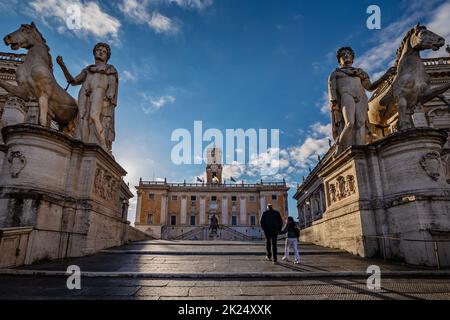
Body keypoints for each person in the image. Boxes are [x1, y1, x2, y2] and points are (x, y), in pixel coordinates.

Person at [328, 47, 395, 155]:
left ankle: (360, 150)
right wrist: (334, 105)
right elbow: (332, 93)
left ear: (352, 58)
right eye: (343, 54)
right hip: (346, 95)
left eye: (348, 54)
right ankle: (339, 148)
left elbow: (370, 87)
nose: (346, 55)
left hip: (361, 97)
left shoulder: (359, 72)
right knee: (350, 123)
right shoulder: (335, 74)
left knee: (360, 123)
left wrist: (385, 76)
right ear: (339, 60)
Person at [56, 43, 118, 153]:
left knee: (94, 116)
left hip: (99, 92)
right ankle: (82, 145)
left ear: (107, 56)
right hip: (84, 93)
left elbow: (112, 85)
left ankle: (103, 145)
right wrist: (63, 66)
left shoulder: (110, 69)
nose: (100, 52)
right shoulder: (88, 69)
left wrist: (109, 95)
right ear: (94, 53)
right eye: (98, 50)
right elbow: (73, 81)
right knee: (82, 119)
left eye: (104, 51)